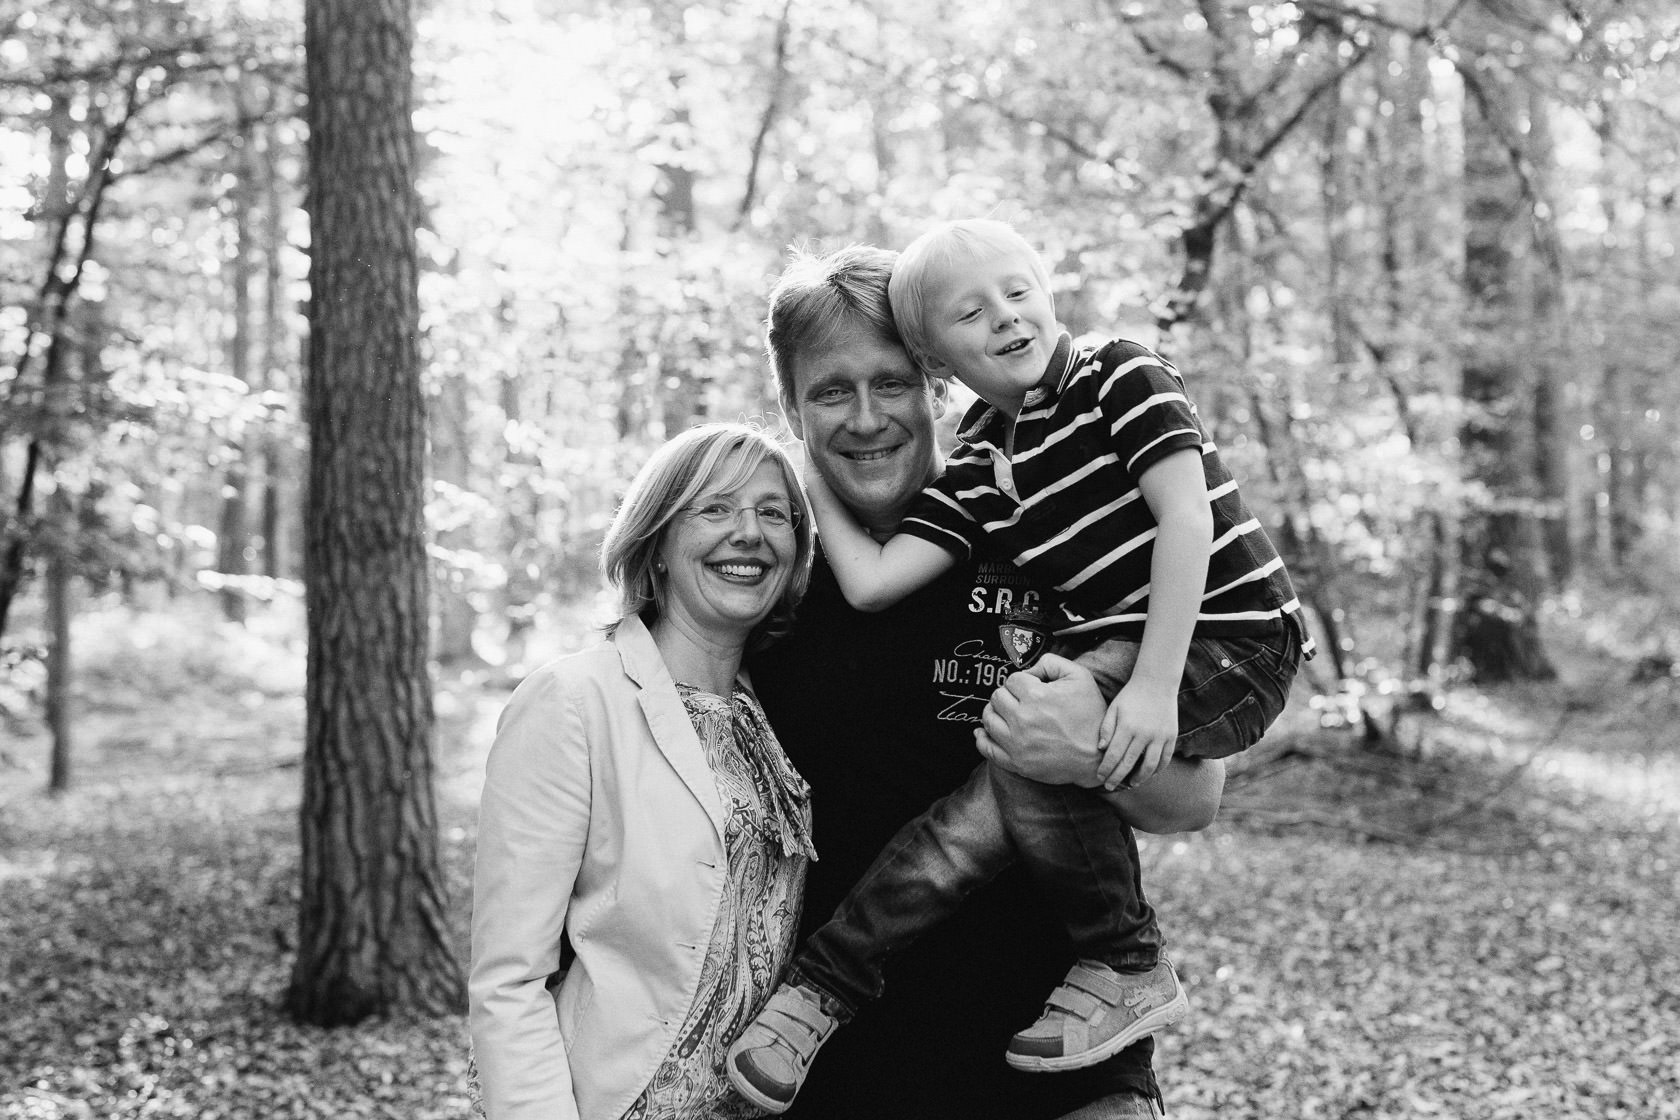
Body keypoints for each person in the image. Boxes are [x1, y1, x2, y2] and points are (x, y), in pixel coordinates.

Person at [730, 223, 1313, 1111]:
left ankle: (1125, 965)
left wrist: (1084, 751)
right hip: (850, 1072)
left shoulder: (1042, 542)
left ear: (933, 382)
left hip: (1064, 1066)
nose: (865, 417)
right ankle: (825, 985)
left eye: (890, 383)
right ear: (792, 410)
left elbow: (1195, 801)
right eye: (830, 393)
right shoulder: (768, 583)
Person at [469, 423, 819, 1120]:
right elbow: (509, 981)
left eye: (772, 513)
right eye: (714, 509)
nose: (748, 532)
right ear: (655, 544)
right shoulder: (574, 701)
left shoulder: (775, 714)